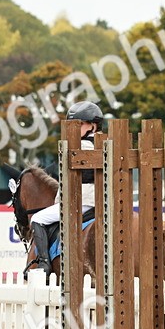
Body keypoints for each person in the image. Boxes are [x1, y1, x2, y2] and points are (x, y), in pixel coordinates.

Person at [27, 100, 101, 275]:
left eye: (80, 124)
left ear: (93, 126)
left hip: (82, 202)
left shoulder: (79, 146)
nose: (75, 129)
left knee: (37, 218)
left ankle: (44, 263)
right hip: (101, 201)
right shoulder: (105, 144)